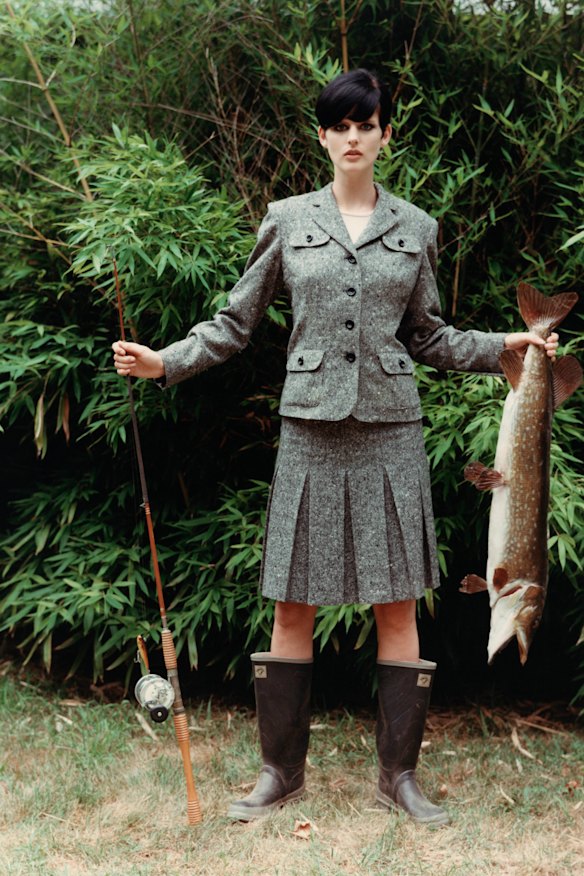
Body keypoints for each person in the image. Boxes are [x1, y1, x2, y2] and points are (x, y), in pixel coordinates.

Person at [113, 69, 559, 826]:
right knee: (293, 605)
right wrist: (165, 362)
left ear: (384, 135)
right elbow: (234, 322)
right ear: (322, 136)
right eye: (341, 125)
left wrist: (502, 347)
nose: (354, 137)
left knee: (397, 606)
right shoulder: (287, 219)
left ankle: (399, 780)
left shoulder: (417, 227)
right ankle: (279, 775)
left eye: (367, 124)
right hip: (310, 430)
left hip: (391, 431)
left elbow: (429, 336)